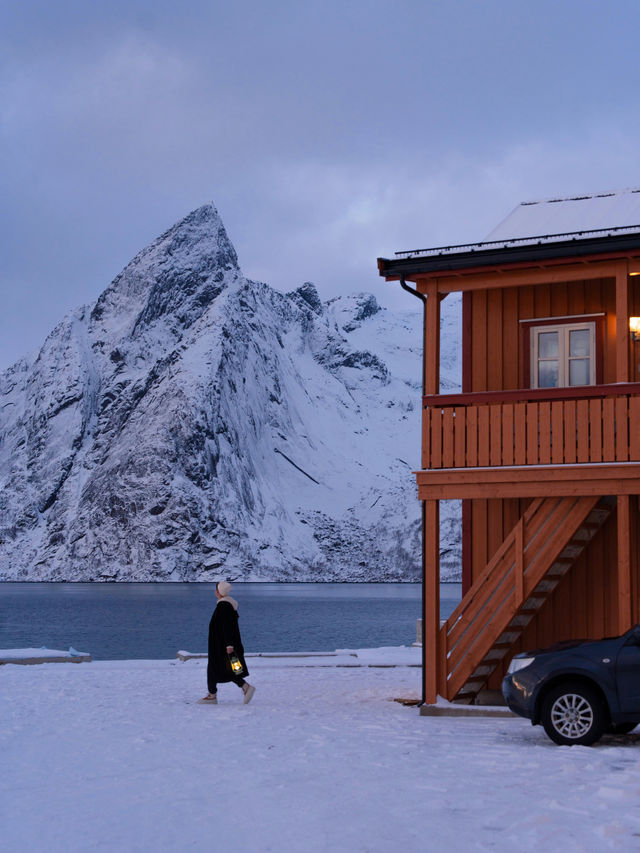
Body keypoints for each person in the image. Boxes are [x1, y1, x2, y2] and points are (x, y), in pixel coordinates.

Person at [201, 580, 256, 704]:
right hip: (224, 645)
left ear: (219, 592)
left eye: (216, 589)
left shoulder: (223, 606)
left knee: (220, 668)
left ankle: (213, 695)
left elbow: (227, 626)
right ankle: (243, 688)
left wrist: (229, 645)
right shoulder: (227, 605)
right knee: (226, 668)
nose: (215, 592)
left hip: (222, 646)